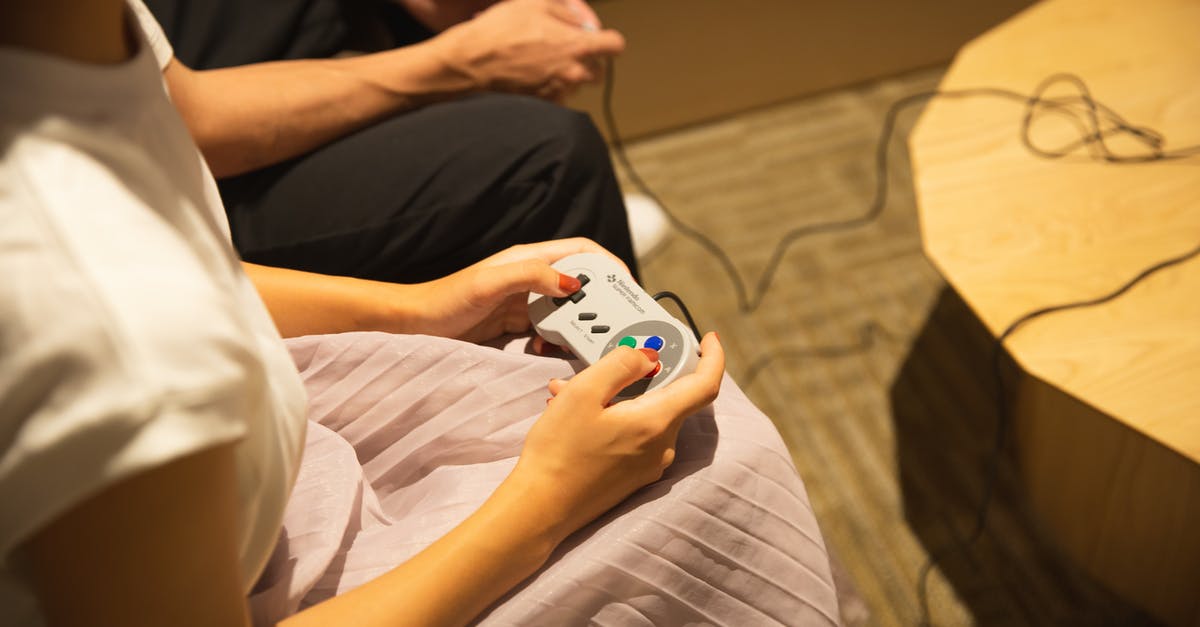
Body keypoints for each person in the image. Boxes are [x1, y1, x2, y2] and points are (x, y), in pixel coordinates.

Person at [0, 1, 841, 625]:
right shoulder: (101, 321)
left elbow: (187, 253)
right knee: (720, 471)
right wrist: (547, 498)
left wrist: (425, 308)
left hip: (259, 462)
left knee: (695, 430)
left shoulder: (82, 39)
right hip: (255, 560)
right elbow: (147, 296)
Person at [142, 0, 642, 283]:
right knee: (547, 162)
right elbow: (182, 124)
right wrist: (464, 61)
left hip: (254, 68)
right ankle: (636, 413)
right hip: (178, 191)